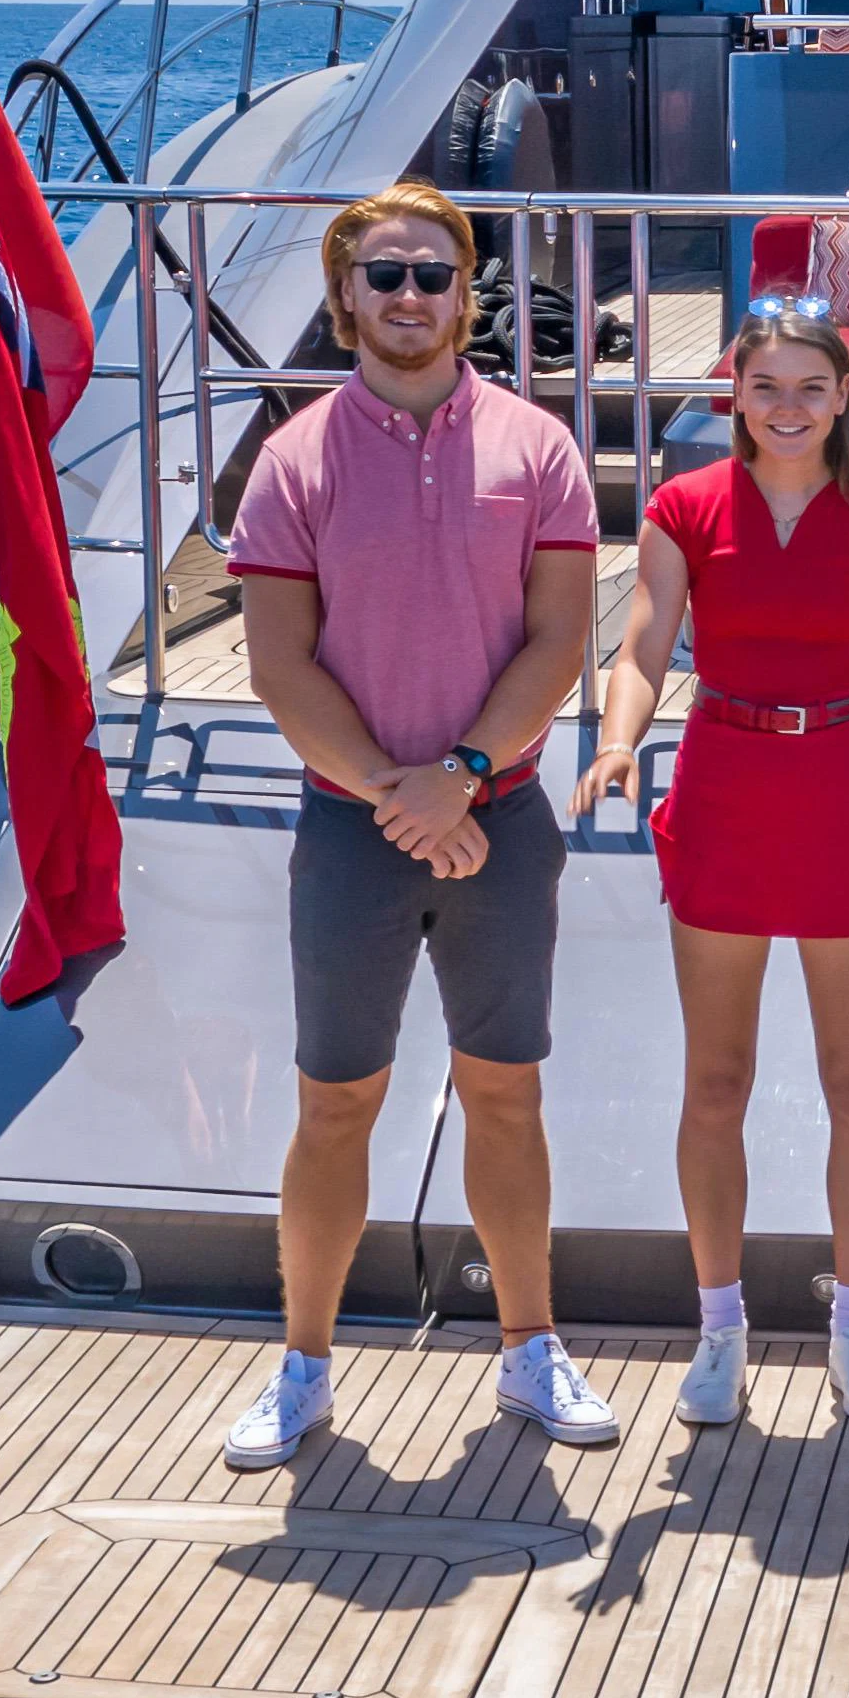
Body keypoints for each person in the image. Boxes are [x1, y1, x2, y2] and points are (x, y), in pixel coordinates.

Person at [220, 181, 618, 1469]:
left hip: (497, 817)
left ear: (465, 294)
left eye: (430, 274)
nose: (407, 297)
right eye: (382, 276)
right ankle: (303, 1365)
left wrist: (457, 772)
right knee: (336, 1102)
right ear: (343, 301)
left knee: (507, 1096)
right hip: (356, 834)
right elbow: (280, 666)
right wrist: (403, 800)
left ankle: (526, 1350)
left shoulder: (537, 450)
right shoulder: (292, 461)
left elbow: (562, 640)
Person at [582, 304, 849, 1430]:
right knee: (716, 1082)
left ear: (846, 395)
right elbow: (643, 645)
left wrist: (829, 743)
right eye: (766, 385)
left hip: (840, 799)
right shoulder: (684, 508)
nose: (787, 406)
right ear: (732, 390)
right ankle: (720, 1327)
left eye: (810, 386)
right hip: (723, 793)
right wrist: (615, 738)